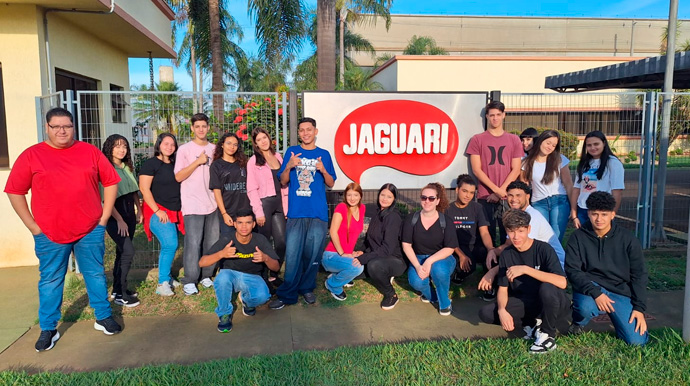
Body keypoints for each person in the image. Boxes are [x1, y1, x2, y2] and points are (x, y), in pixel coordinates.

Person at [5, 107, 122, 352]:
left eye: (67, 126)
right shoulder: (32, 155)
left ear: (73, 127)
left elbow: (111, 182)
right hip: (49, 233)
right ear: (47, 127)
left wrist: (103, 218)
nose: (62, 130)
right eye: (56, 126)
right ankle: (48, 328)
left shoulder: (89, 152)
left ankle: (102, 316)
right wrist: (33, 226)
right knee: (50, 280)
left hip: (90, 229)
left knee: (96, 275)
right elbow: (15, 191)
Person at [478, 209, 570, 354]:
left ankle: (548, 335)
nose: (516, 236)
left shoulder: (544, 249)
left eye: (520, 231)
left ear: (529, 229)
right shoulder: (507, 255)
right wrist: (502, 310)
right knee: (487, 313)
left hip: (553, 302)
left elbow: (562, 282)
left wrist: (526, 269)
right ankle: (533, 324)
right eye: (512, 232)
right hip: (527, 302)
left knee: (547, 287)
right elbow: (503, 289)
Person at [269, 117, 337, 309]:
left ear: (315, 131)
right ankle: (287, 294)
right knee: (293, 255)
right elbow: (283, 180)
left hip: (317, 213)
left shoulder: (324, 154)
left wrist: (323, 170)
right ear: (298, 133)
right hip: (297, 213)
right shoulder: (291, 152)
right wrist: (289, 165)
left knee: (312, 255)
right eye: (302, 130)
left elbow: (331, 183)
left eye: (309, 129)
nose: (305, 133)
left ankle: (307, 288)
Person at [565, 191, 648, 345]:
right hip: (592, 288)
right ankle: (578, 323)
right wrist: (596, 293)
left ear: (612, 214)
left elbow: (639, 274)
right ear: (588, 213)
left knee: (637, 342)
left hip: (619, 291)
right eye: (595, 214)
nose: (599, 219)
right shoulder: (578, 237)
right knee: (584, 307)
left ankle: (620, 320)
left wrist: (639, 308)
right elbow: (572, 271)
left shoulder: (628, 239)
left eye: (604, 214)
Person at [480, 181, 566, 300]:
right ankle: (501, 293)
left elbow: (518, 248)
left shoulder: (532, 217)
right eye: (510, 195)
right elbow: (508, 245)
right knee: (493, 255)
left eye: (518, 195)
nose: (514, 199)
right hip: (531, 260)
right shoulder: (518, 216)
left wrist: (493, 271)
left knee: (499, 259)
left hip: (551, 268)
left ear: (528, 196)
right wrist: (492, 251)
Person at [199, 209, 280, 333]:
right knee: (222, 278)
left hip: (253, 276)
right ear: (235, 224)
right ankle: (224, 314)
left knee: (263, 296)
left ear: (253, 224)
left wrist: (265, 258)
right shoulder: (227, 239)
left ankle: (246, 300)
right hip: (230, 274)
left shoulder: (260, 239)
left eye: (248, 223)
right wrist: (222, 253)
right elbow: (202, 262)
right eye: (240, 223)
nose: (244, 227)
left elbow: (276, 267)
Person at [466, 101, 523, 247]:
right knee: (487, 232)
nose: (495, 118)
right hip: (486, 195)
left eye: (498, 115)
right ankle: (489, 264)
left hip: (508, 195)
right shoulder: (477, 139)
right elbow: (476, 169)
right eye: (492, 115)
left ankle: (508, 265)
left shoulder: (514, 139)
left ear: (504, 115)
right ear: (487, 116)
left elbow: (516, 169)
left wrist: (500, 191)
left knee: (510, 231)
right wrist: (497, 191)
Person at [174, 113, 219, 296]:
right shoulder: (184, 150)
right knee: (193, 243)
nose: (201, 129)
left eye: (204, 126)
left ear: (208, 128)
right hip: (193, 203)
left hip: (213, 203)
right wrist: (198, 162)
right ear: (192, 128)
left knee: (212, 241)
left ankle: (206, 275)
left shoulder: (215, 149)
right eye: (197, 126)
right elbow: (178, 176)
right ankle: (190, 280)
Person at [402, 183, 458, 316]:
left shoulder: (446, 221)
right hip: (419, 257)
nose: (427, 201)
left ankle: (445, 303)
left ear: (438, 201)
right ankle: (432, 295)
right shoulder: (412, 219)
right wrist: (417, 266)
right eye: (424, 198)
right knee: (416, 281)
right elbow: (406, 245)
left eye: (431, 198)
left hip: (442, 258)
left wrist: (429, 262)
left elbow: (450, 248)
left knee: (438, 270)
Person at [139, 133, 185, 297]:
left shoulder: (175, 164)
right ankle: (162, 283)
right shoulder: (151, 164)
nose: (169, 147)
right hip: (157, 210)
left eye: (172, 144)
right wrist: (158, 211)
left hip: (174, 209)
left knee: (172, 244)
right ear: (159, 144)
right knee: (170, 244)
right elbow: (144, 189)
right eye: (166, 143)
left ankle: (168, 278)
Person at [101, 134, 142, 307]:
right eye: (117, 146)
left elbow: (133, 191)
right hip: (114, 215)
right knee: (128, 251)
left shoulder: (126, 167)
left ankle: (117, 289)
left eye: (124, 146)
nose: (121, 149)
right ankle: (122, 294)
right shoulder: (105, 168)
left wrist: (139, 210)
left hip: (129, 214)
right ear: (109, 147)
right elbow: (106, 198)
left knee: (121, 253)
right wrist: (119, 219)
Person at [355, 183, 408, 310]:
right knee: (349, 267)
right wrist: (361, 252)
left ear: (394, 199)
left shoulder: (393, 217)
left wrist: (365, 258)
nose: (384, 199)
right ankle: (380, 274)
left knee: (373, 265)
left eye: (389, 197)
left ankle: (391, 294)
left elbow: (387, 249)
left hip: (395, 260)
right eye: (382, 195)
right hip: (378, 256)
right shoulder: (378, 213)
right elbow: (370, 239)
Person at [246, 127, 288, 286]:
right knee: (263, 242)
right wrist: (258, 212)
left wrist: (287, 207)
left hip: (279, 203)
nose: (263, 141)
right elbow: (251, 188)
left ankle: (274, 273)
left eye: (264, 137)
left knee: (282, 241)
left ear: (269, 138)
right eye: (259, 140)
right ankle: (261, 275)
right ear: (255, 144)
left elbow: (285, 182)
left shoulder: (278, 156)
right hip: (264, 204)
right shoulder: (253, 161)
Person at [521, 130, 574, 242]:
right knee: (541, 238)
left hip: (559, 201)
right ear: (541, 140)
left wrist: (573, 208)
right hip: (539, 203)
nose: (550, 147)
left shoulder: (560, 159)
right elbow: (523, 186)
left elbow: (569, 185)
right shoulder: (526, 162)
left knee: (555, 238)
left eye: (554, 145)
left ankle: (558, 259)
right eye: (548, 143)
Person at [445, 174, 494, 284]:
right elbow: (448, 238)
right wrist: (461, 255)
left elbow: (484, 232)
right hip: (456, 247)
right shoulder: (448, 209)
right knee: (467, 266)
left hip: (474, 245)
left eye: (471, 193)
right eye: (465, 191)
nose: (468, 195)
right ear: (457, 190)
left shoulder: (477, 208)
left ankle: (490, 286)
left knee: (493, 257)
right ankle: (457, 275)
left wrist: (491, 249)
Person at [570, 130, 624, 228]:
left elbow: (617, 191)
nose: (593, 148)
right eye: (589, 145)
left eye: (596, 144)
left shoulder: (613, 163)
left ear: (603, 143)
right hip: (582, 210)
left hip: (602, 212)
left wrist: (612, 214)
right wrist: (574, 215)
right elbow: (576, 190)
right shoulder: (584, 164)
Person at [321, 183, 366, 301]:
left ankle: (337, 275)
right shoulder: (341, 207)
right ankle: (332, 284)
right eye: (349, 195)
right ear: (345, 196)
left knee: (361, 261)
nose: (352, 198)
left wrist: (352, 252)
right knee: (358, 268)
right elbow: (333, 232)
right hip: (332, 255)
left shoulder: (362, 209)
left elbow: (353, 234)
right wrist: (342, 253)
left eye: (355, 195)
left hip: (346, 254)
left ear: (360, 196)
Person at [210, 132, 250, 235]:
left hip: (245, 212)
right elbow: (217, 191)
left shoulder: (243, 163)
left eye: (235, 144)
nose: (232, 147)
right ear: (222, 145)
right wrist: (224, 213)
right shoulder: (216, 165)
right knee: (229, 245)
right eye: (229, 143)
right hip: (229, 212)